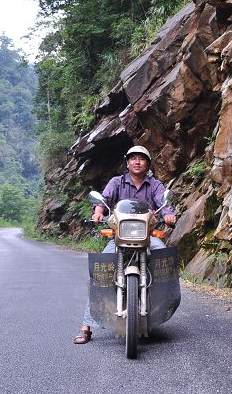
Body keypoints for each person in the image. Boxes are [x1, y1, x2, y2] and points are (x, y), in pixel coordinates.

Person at [73, 145, 176, 344]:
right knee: (100, 274)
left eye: (142, 159)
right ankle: (86, 327)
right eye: (133, 158)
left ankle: (162, 304)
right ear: (127, 163)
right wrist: (99, 211)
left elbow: (164, 204)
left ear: (148, 164)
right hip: (119, 237)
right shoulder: (116, 182)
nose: (137, 162)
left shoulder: (154, 185)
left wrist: (168, 214)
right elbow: (104, 200)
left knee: (164, 256)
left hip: (147, 236)